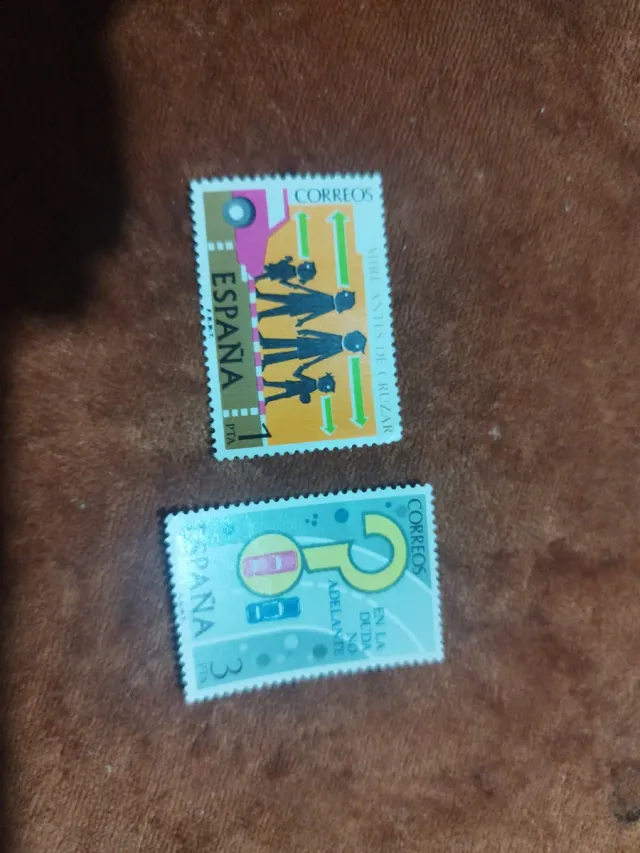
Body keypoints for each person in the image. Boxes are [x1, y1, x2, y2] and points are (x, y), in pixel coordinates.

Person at [260, 329, 366, 369]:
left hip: (310, 349)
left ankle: (267, 355)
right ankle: (266, 349)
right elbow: (322, 336)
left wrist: (310, 363)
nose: (354, 351)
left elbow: (322, 356)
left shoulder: (338, 345)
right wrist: (308, 331)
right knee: (289, 349)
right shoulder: (337, 343)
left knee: (289, 350)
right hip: (310, 348)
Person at [257, 284, 355, 327]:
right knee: (279, 303)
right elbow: (314, 294)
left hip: (300, 303)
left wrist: (303, 320)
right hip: (300, 304)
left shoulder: (328, 304)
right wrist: (303, 320)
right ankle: (261, 308)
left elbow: (314, 313)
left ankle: (261, 307)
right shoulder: (328, 302)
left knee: (279, 303)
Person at [263, 364, 336, 405]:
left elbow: (296, 374)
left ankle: (265, 386)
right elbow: (296, 375)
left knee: (278, 386)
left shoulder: (312, 383)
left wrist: (301, 367)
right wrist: (301, 368)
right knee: (279, 392)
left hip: (292, 387)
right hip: (292, 390)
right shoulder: (313, 386)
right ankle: (267, 396)